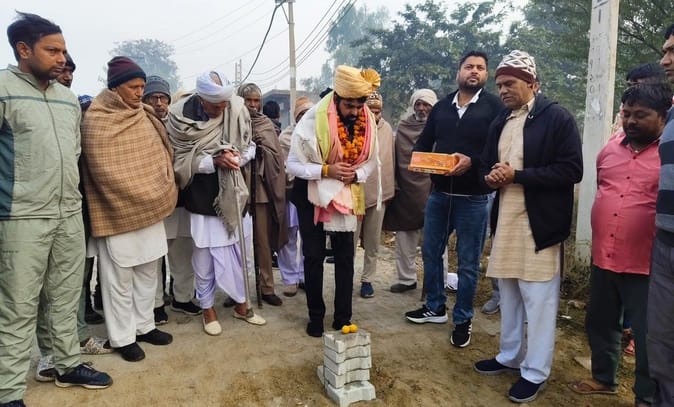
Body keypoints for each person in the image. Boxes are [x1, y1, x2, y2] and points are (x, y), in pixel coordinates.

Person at [0, 12, 112, 406]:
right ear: (23, 50)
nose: (62, 58)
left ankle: (66, 364)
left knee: (65, 297)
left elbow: (74, 155)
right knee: (18, 306)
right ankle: (8, 391)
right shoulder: (4, 90)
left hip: (68, 214)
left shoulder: (67, 100)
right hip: (21, 217)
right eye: (52, 50)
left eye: (63, 50)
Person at [474, 50, 583, 403]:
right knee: (509, 294)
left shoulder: (557, 118)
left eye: (510, 83)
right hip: (506, 221)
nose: (503, 90)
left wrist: (517, 176)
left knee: (538, 301)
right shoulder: (500, 120)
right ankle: (509, 356)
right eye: (500, 85)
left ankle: (535, 371)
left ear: (532, 84)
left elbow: (572, 170)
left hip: (540, 225)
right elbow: (485, 165)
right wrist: (490, 177)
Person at [568, 83, 671, 407]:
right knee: (600, 322)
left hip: (647, 263)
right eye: (627, 114)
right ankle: (604, 378)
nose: (631, 121)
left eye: (641, 115)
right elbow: (604, 188)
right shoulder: (610, 149)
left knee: (648, 335)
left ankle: (646, 396)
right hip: (605, 255)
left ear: (663, 116)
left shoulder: (668, 155)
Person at [405, 50, 504, 350]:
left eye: (480, 68)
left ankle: (463, 318)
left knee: (468, 263)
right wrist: (420, 159)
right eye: (469, 66)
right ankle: (435, 307)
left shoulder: (495, 107)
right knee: (431, 252)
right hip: (439, 195)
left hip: (474, 198)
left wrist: (472, 161)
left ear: (486, 74)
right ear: (458, 71)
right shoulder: (442, 107)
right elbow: (424, 142)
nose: (474, 71)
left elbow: (499, 150)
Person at [81, 56, 177, 362]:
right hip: (117, 210)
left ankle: (144, 325)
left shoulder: (145, 115)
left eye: (141, 87)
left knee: (148, 272)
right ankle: (123, 337)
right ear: (115, 88)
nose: (139, 93)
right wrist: (140, 192)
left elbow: (161, 156)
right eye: (133, 87)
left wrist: (156, 189)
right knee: (118, 280)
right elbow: (103, 169)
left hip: (150, 209)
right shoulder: (96, 120)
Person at [167, 71, 266, 336]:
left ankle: (241, 305)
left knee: (238, 253)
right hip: (201, 197)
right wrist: (213, 161)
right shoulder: (179, 117)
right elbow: (178, 160)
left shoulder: (237, 108)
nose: (221, 110)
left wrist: (237, 158)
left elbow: (249, 145)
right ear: (202, 99)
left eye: (224, 104)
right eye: (215, 106)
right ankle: (207, 309)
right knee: (203, 257)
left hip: (234, 195)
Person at [287, 65, 379, 337]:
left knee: (346, 257)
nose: (354, 112)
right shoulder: (312, 119)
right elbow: (292, 164)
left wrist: (356, 174)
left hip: (348, 192)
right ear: (337, 99)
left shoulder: (367, 120)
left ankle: (343, 317)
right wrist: (326, 170)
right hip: (311, 194)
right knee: (314, 256)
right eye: (349, 106)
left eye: (359, 106)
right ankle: (316, 317)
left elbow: (372, 161)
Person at [141, 75, 202, 325]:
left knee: (183, 253)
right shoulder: (139, 124)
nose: (158, 103)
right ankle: (156, 304)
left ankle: (182, 298)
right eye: (152, 98)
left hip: (183, 200)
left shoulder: (180, 124)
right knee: (154, 258)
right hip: (155, 203)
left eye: (162, 98)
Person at [238, 83, 288, 307]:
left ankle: (267, 287)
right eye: (248, 100)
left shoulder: (266, 124)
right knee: (237, 244)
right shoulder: (231, 121)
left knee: (263, 242)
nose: (252, 105)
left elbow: (276, 159)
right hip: (237, 188)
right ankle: (237, 291)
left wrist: (261, 152)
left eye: (256, 100)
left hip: (260, 191)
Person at [383, 89, 438, 293]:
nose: (422, 108)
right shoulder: (404, 127)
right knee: (405, 236)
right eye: (418, 104)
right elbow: (396, 156)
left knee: (436, 239)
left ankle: (436, 281)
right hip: (406, 189)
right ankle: (407, 279)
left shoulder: (441, 125)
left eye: (426, 104)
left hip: (433, 187)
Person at [648, 22, 674, 407]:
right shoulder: (671, 115)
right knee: (661, 338)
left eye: (672, 51)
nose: (664, 60)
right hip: (666, 240)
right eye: (665, 50)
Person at [355, 91, 394, 298]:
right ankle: (346, 276)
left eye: (377, 111)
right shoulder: (355, 126)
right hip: (355, 192)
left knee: (372, 241)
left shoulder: (387, 130)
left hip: (379, 194)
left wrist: (390, 187)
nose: (374, 114)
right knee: (349, 240)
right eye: (370, 110)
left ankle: (367, 280)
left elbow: (390, 159)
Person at [277, 96, 314, 296]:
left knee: (309, 237)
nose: (305, 117)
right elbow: (283, 167)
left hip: (312, 192)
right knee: (289, 237)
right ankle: (290, 279)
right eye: (301, 114)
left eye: (308, 113)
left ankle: (305, 276)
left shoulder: (319, 134)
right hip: (290, 192)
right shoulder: (285, 137)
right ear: (295, 116)